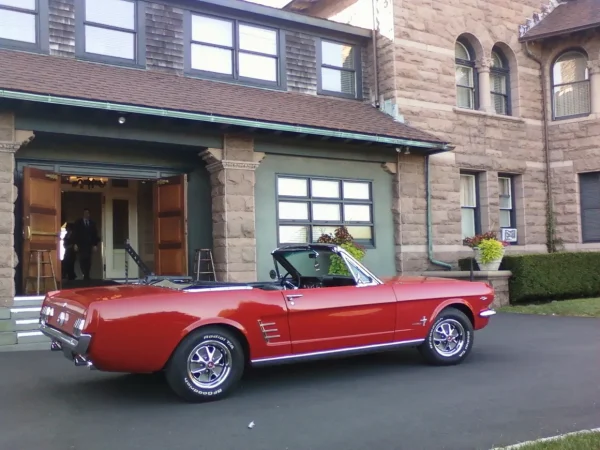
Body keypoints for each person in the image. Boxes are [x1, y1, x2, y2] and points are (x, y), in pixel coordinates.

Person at [72, 209, 100, 281]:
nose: (87, 214)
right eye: (85, 213)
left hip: (89, 245)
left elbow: (95, 234)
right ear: (83, 214)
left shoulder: (92, 223)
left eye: (88, 213)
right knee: (82, 260)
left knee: (88, 261)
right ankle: (84, 274)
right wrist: (75, 244)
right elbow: (75, 233)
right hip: (81, 245)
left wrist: (95, 245)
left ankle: (87, 275)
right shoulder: (78, 222)